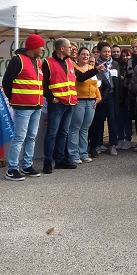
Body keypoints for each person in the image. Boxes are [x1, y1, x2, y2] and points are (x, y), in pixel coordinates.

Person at [42, 38, 102, 173]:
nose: (72, 50)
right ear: (62, 49)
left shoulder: (70, 62)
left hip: (70, 103)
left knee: (63, 133)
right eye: (69, 47)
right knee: (52, 133)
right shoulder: (48, 62)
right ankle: (47, 162)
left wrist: (95, 70)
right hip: (57, 104)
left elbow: (80, 77)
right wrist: (52, 98)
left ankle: (60, 160)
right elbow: (43, 84)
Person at [1, 34, 46, 181]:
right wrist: (13, 98)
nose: (42, 49)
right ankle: (12, 168)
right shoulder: (17, 60)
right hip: (23, 106)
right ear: (33, 47)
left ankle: (27, 165)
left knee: (31, 136)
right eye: (41, 46)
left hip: (36, 105)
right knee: (19, 137)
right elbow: (7, 81)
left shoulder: (38, 62)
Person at [67, 47, 100, 164]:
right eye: (83, 54)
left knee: (85, 128)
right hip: (79, 101)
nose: (85, 56)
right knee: (75, 128)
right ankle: (73, 154)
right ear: (78, 56)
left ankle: (83, 153)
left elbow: (95, 86)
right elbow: (80, 79)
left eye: (87, 55)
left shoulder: (91, 68)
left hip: (91, 101)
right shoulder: (74, 68)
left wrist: (98, 98)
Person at [93, 41, 119, 156]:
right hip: (100, 95)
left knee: (112, 119)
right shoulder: (95, 65)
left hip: (112, 95)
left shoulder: (115, 64)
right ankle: (98, 144)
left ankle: (113, 144)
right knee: (99, 119)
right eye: (105, 51)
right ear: (99, 52)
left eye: (109, 51)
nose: (107, 53)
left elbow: (118, 81)